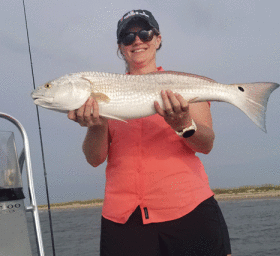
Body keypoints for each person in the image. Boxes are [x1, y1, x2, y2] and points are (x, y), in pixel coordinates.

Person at [68, 9, 232, 256]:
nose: (137, 41)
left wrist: (184, 125)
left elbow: (206, 144)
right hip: (123, 218)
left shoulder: (184, 83)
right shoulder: (102, 93)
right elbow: (94, 159)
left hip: (189, 209)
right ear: (120, 47)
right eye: (128, 37)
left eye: (145, 33)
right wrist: (97, 124)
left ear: (157, 39)